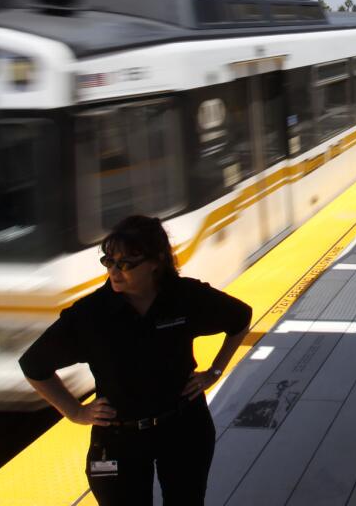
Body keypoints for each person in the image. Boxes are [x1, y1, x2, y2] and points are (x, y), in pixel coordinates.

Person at [19, 215, 252, 506]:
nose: (115, 272)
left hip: (183, 427)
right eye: (109, 261)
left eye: (126, 264)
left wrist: (215, 371)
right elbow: (33, 364)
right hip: (118, 439)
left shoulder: (185, 297)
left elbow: (241, 318)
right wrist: (75, 412)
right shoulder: (91, 315)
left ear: (156, 263)